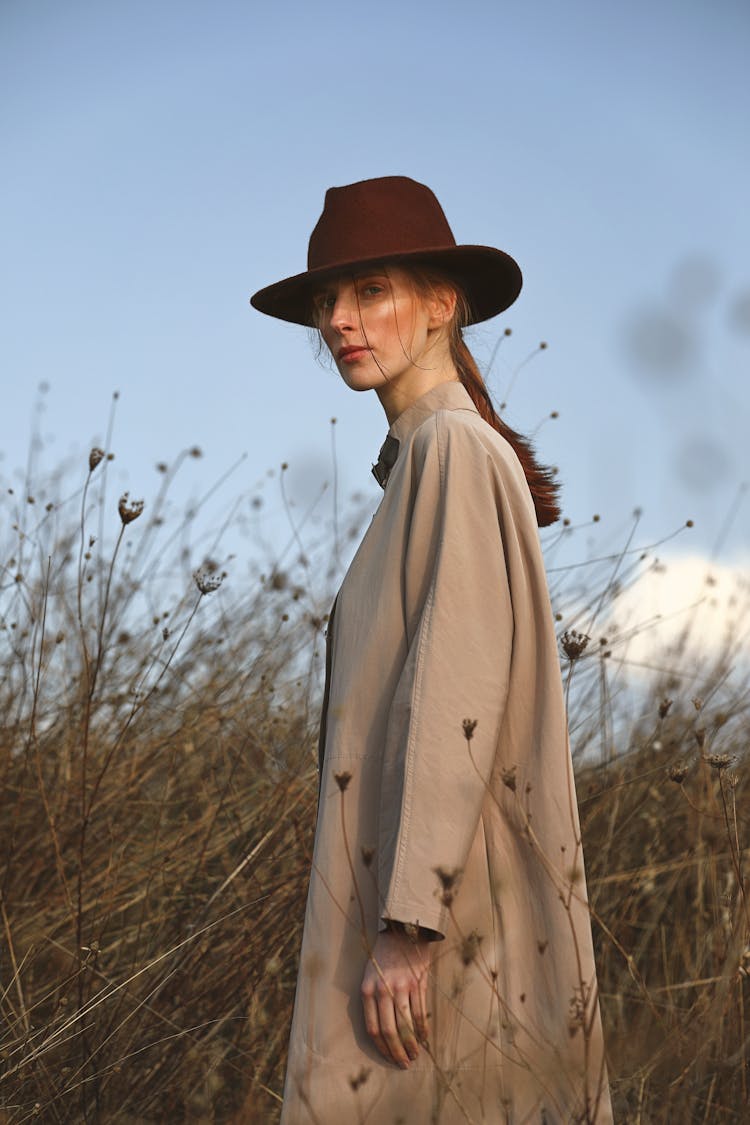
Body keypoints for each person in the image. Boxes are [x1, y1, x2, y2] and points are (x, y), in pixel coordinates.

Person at [251, 176, 613, 1124]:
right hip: (438, 911)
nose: (338, 319)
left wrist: (411, 921)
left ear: (444, 303)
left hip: (438, 930)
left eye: (371, 291)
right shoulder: (432, 456)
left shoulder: (451, 450)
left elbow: (454, 695)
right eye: (326, 300)